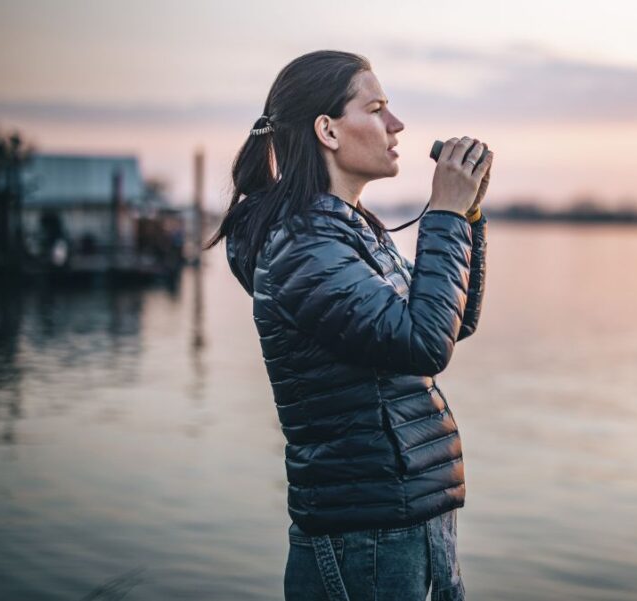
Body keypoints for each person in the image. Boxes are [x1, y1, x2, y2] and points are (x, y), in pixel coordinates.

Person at [203, 50, 492, 600]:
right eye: (378, 108)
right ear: (328, 130)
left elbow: (452, 323)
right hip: (366, 537)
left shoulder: (347, 232)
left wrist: (468, 215)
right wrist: (445, 214)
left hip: (402, 521)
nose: (397, 124)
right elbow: (424, 344)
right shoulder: (303, 247)